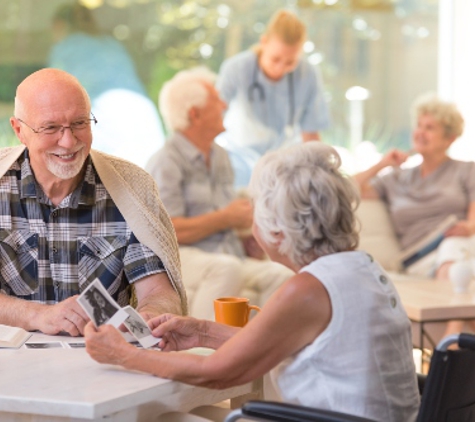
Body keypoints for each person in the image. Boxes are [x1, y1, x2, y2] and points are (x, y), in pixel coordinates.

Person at [85, 142, 420, 422]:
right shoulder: (358, 268)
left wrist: (122, 355)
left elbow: (216, 373)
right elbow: (276, 340)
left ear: (276, 231)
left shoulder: (308, 290)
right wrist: (201, 332)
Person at [0, 68, 187, 337]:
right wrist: (39, 315)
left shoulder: (131, 188)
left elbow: (158, 291)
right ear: (19, 130)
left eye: (79, 123)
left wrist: (149, 319)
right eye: (51, 127)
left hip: (107, 360)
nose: (68, 142)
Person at [145, 66, 294, 320]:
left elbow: (226, 217)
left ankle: (264, 355)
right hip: (178, 257)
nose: (224, 104)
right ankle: (201, 352)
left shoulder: (220, 156)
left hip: (227, 254)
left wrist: (247, 238)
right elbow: (167, 232)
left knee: (283, 275)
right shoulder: (166, 161)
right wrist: (226, 218)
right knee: (227, 269)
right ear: (195, 114)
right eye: (216, 100)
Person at [354, 94, 474, 337]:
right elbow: (345, 190)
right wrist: (381, 164)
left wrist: (470, 226)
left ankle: (450, 348)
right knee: (458, 265)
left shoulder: (466, 169)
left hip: (461, 244)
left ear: (449, 138)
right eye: (419, 125)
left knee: (455, 251)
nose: (420, 132)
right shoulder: (396, 178)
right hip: (419, 257)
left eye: (430, 128)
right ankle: (451, 345)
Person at [216, 9, 330, 187]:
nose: (281, 68)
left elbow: (310, 133)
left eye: (290, 62)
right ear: (264, 42)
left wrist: (322, 175)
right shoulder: (236, 69)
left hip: (286, 164)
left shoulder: (308, 74)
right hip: (239, 160)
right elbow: (215, 116)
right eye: (275, 59)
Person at [48, 2, 165, 168]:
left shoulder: (64, 48)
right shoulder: (112, 44)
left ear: (59, 25)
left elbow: (53, 97)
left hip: (106, 115)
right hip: (143, 114)